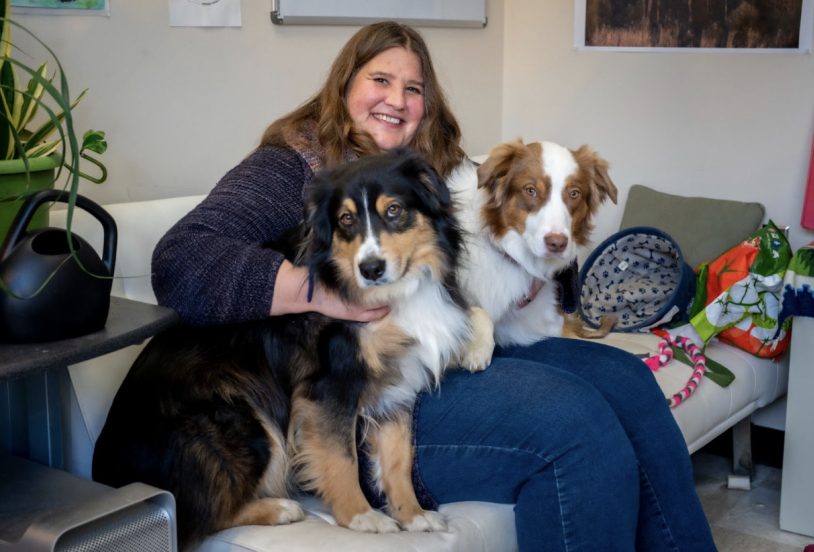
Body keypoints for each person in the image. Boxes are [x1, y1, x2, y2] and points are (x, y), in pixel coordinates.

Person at [152, 21, 718, 552]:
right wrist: (318, 292)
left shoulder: (432, 164)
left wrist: (536, 282)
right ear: (343, 85)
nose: (397, 100)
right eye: (380, 80)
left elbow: (537, 225)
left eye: (413, 88)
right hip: (376, 393)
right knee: (575, 424)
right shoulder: (294, 166)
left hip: (442, 355)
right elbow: (181, 259)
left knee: (630, 383)